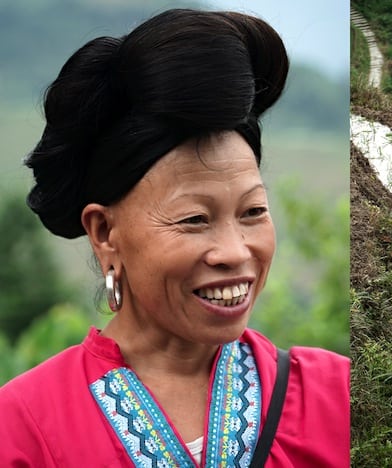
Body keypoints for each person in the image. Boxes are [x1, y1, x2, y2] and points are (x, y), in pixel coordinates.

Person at [0, 8, 349, 467]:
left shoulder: (335, 394)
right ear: (105, 233)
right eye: (193, 219)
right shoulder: (25, 426)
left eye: (253, 212)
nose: (234, 252)